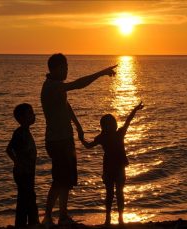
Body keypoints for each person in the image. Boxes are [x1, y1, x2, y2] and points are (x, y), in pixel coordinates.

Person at [41, 53, 117, 227]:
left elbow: (65, 106)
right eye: (64, 67)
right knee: (59, 180)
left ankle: (63, 216)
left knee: (66, 180)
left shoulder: (57, 86)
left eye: (67, 67)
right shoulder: (51, 86)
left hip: (65, 139)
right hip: (57, 140)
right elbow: (78, 85)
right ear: (54, 69)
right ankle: (47, 217)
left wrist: (77, 125)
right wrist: (101, 73)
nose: (67, 70)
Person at [80, 101, 144, 225]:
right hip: (118, 167)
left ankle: (109, 218)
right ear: (112, 125)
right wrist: (135, 109)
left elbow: (88, 146)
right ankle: (119, 218)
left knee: (110, 193)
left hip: (110, 167)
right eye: (113, 123)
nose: (115, 124)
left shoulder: (103, 136)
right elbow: (128, 120)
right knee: (119, 192)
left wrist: (81, 138)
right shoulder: (118, 134)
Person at [6, 103, 40, 228]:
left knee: (28, 197)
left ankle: (30, 222)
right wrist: (17, 162)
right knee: (26, 198)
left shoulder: (25, 132)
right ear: (21, 118)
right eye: (30, 113)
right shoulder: (20, 133)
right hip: (23, 172)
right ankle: (28, 223)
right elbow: (9, 149)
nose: (33, 115)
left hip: (28, 171)